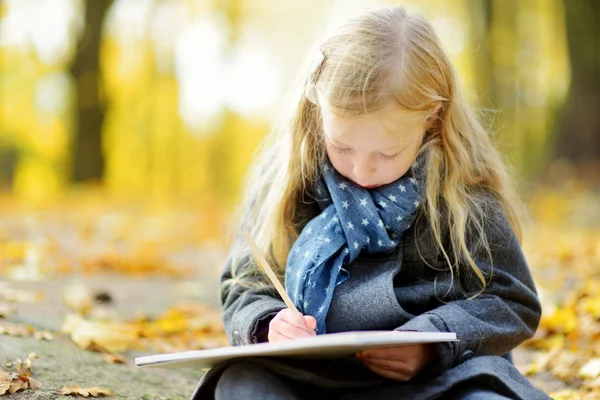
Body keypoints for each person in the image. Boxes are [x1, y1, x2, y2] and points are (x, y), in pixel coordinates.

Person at [190, 5, 550, 400]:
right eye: (342, 146)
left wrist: (430, 343)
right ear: (318, 113)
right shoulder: (286, 181)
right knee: (242, 384)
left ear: (432, 117)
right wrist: (268, 325)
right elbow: (243, 286)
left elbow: (511, 301)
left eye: (387, 154)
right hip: (309, 378)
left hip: (440, 381)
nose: (361, 170)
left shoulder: (463, 191)